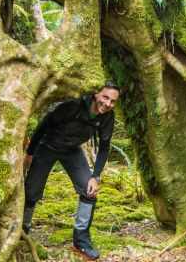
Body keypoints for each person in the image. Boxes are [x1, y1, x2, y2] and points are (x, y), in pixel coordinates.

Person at [23, 82, 120, 260]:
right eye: (105, 97)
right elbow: (44, 124)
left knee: (89, 190)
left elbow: (104, 147)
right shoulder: (74, 105)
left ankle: (81, 239)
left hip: (72, 150)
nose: (107, 104)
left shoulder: (107, 117)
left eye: (113, 101)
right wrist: (30, 153)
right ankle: (24, 230)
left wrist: (95, 176)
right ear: (96, 94)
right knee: (31, 191)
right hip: (47, 146)